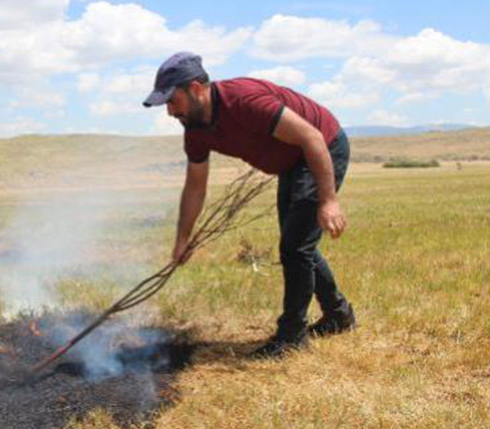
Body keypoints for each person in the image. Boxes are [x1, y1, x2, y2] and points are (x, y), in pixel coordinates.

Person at [143, 52, 356, 358]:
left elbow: (311, 138)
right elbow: (195, 187)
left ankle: (291, 336)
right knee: (299, 245)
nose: (169, 112)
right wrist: (182, 239)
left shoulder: (244, 101)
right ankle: (338, 315)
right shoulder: (195, 130)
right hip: (292, 162)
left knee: (296, 248)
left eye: (172, 101)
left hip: (322, 147)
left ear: (196, 88)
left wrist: (329, 201)